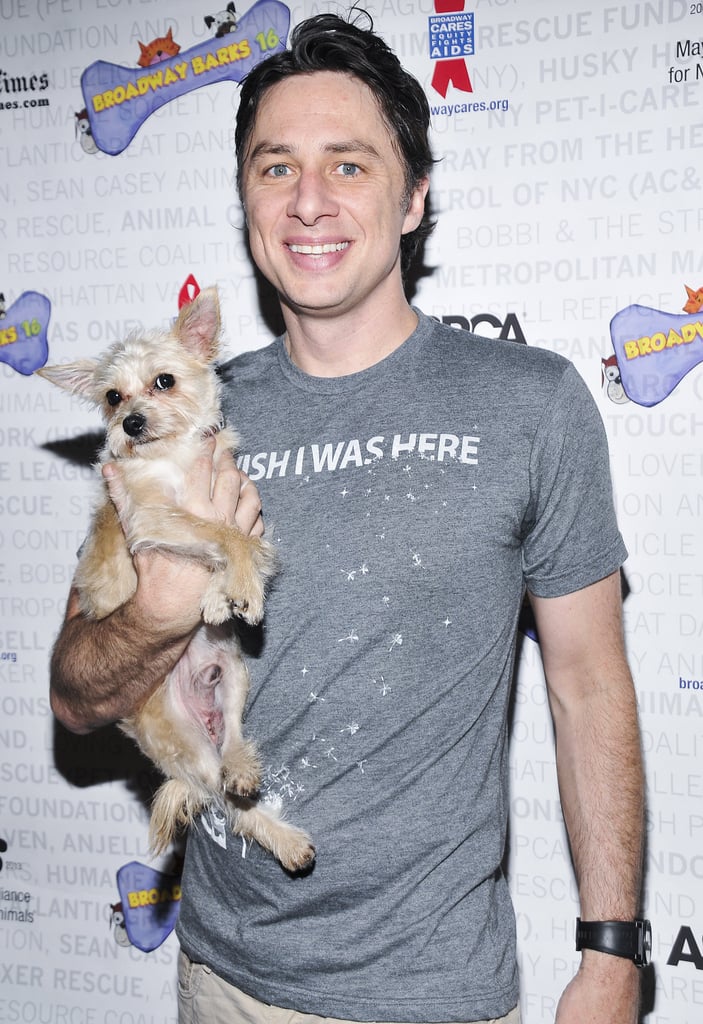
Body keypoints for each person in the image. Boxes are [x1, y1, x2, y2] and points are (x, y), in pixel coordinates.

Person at [49, 12, 646, 1024]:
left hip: (438, 994)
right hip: (224, 985)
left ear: (414, 197)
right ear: (244, 200)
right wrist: (158, 610)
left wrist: (611, 952)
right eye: (275, 168)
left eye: (350, 165)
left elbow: (588, 682)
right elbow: (75, 696)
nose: (309, 201)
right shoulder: (178, 414)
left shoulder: (529, 403)